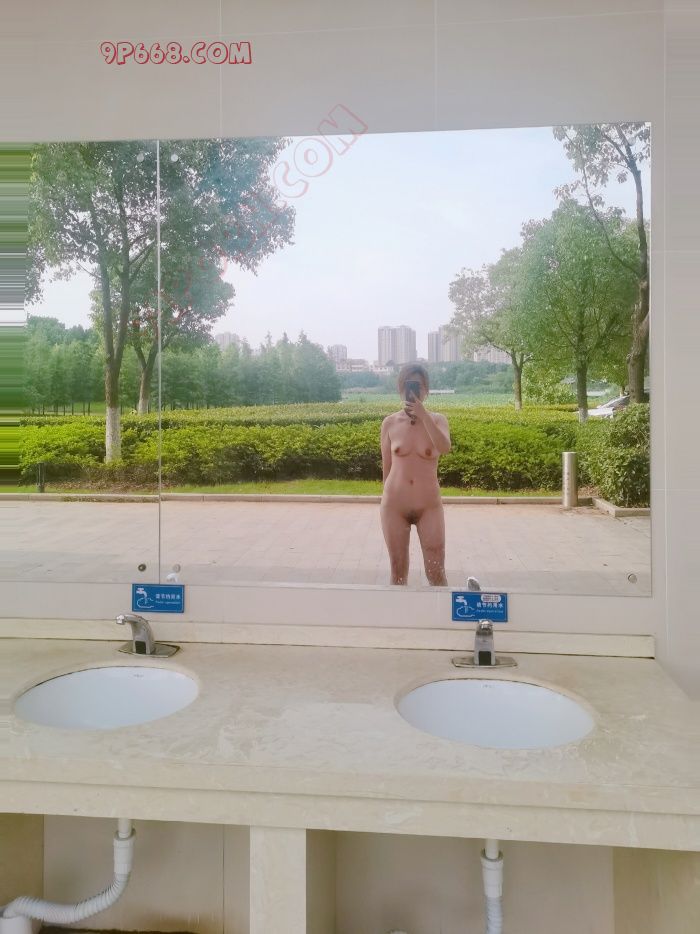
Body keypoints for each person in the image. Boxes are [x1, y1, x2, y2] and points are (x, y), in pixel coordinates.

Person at [380, 363, 451, 586]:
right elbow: (387, 467)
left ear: (426, 390)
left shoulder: (438, 420)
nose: (413, 391)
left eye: (418, 386)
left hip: (428, 506)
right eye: (408, 386)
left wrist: (423, 416)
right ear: (400, 389)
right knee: (398, 573)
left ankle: (439, 609)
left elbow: (444, 447)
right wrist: (385, 500)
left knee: (436, 571)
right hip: (395, 505)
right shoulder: (390, 423)